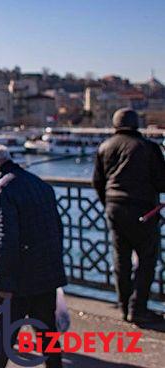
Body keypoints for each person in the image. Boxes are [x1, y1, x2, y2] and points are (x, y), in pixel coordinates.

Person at [0, 144, 66, 368]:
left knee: (0, 343)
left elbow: (3, 241)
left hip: (17, 282)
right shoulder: (40, 184)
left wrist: (1, 283)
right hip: (46, 276)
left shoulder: (2, 189)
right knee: (48, 338)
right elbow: (57, 230)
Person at [92, 108, 165, 324]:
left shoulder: (105, 146)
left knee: (120, 259)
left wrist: (108, 203)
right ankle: (138, 307)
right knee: (146, 258)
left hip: (114, 208)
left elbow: (98, 181)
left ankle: (124, 307)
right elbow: (162, 182)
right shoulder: (148, 148)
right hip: (143, 210)